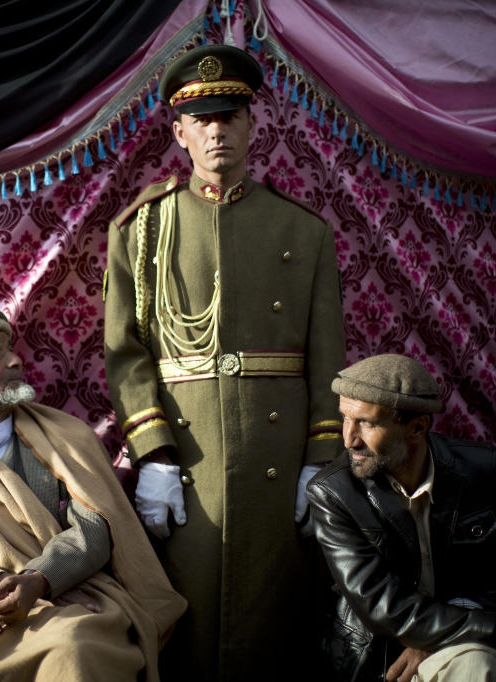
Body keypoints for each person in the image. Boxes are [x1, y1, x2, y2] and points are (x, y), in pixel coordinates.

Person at [103, 43, 347, 680]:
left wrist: (320, 462)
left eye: (230, 115)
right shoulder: (141, 230)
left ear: (252, 123)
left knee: (274, 628)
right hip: (188, 462)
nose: (218, 130)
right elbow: (126, 354)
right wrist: (153, 454)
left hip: (280, 454)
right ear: (178, 130)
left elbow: (327, 360)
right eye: (203, 118)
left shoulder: (304, 231)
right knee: (190, 622)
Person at [0, 310, 185, 682]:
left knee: (75, 646)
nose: (15, 360)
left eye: (10, 350)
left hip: (71, 591)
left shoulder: (67, 435)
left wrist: (41, 580)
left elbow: (96, 526)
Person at [307, 354, 496, 682]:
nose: (349, 439)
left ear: (417, 427)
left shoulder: (478, 470)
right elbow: (381, 605)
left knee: (476, 664)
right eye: (345, 418)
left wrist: (439, 640)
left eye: (367, 423)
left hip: (474, 645)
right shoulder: (334, 492)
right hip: (383, 659)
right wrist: (490, 629)